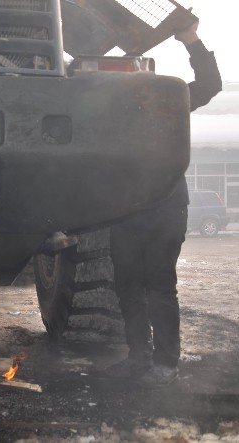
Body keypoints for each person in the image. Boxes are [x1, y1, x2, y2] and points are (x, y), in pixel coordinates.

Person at [103, 21, 223, 386]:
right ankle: (139, 356)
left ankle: (166, 364)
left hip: (164, 208)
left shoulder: (169, 103)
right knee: (127, 285)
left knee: (158, 284)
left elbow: (210, 85)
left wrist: (191, 40)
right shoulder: (112, 115)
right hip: (125, 211)